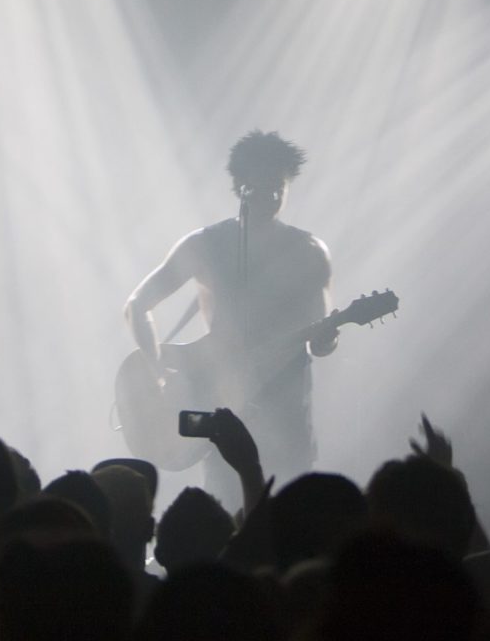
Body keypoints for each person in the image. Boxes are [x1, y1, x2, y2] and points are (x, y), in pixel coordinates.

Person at [125, 130, 336, 502]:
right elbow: (138, 305)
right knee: (226, 504)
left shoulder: (309, 251)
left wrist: (328, 335)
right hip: (225, 406)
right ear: (241, 186)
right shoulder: (206, 244)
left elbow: (321, 345)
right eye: (263, 185)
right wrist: (159, 373)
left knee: (295, 510)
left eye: (279, 186)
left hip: (288, 412)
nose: (272, 195)